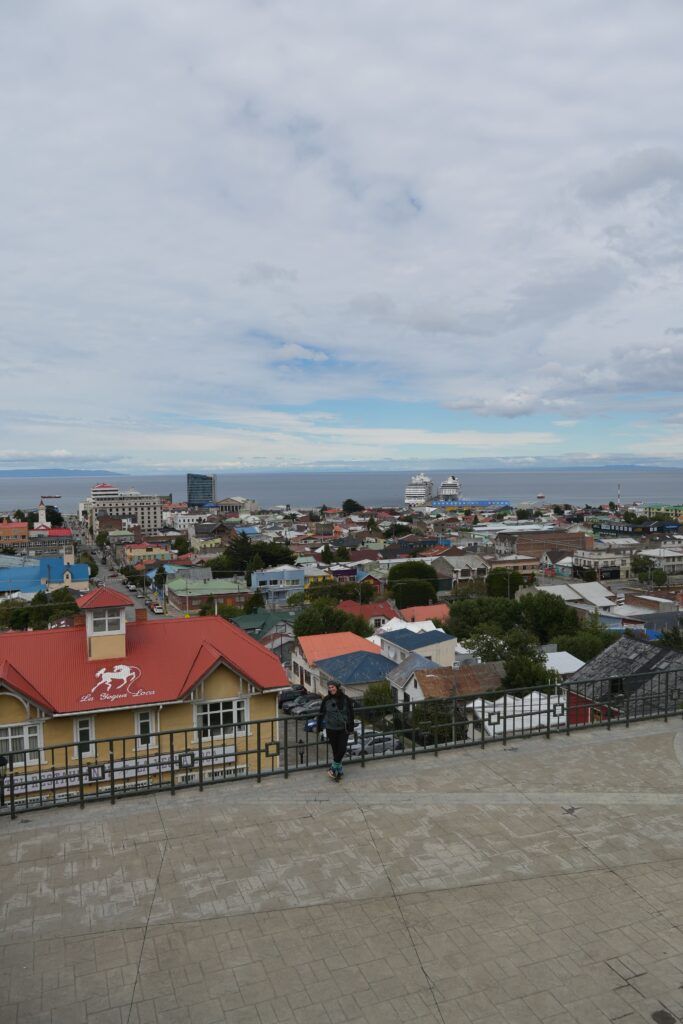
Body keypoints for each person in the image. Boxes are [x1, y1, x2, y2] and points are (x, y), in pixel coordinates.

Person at [317, 682, 354, 780]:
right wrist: (319, 726)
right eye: (329, 688)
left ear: (337, 687)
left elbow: (351, 713)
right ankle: (339, 771)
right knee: (336, 750)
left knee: (342, 749)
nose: (331, 689)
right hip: (331, 729)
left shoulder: (345, 699)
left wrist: (351, 727)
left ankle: (333, 768)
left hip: (343, 728)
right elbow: (321, 713)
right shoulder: (326, 700)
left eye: (332, 687)